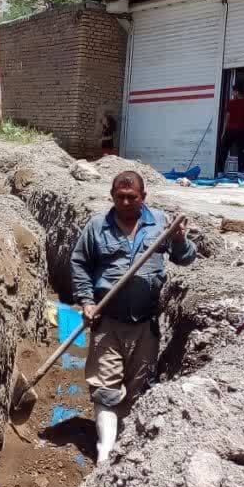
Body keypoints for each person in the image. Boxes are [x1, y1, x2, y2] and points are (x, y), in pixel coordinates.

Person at [70, 170, 196, 464]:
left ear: (143, 197)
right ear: (111, 196)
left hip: (145, 325)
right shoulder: (97, 226)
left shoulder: (161, 224)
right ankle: (105, 453)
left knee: (136, 388)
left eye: (132, 197)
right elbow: (79, 264)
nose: (125, 202)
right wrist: (87, 301)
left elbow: (186, 258)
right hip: (108, 321)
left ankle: (123, 446)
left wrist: (178, 239)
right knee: (105, 388)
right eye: (120, 197)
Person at [220, 88, 244, 174]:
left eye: (233, 91)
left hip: (230, 130)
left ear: (237, 92)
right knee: (242, 151)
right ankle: (240, 172)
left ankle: (220, 172)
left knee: (224, 150)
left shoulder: (231, 103)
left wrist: (224, 131)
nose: (232, 93)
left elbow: (227, 118)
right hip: (241, 130)